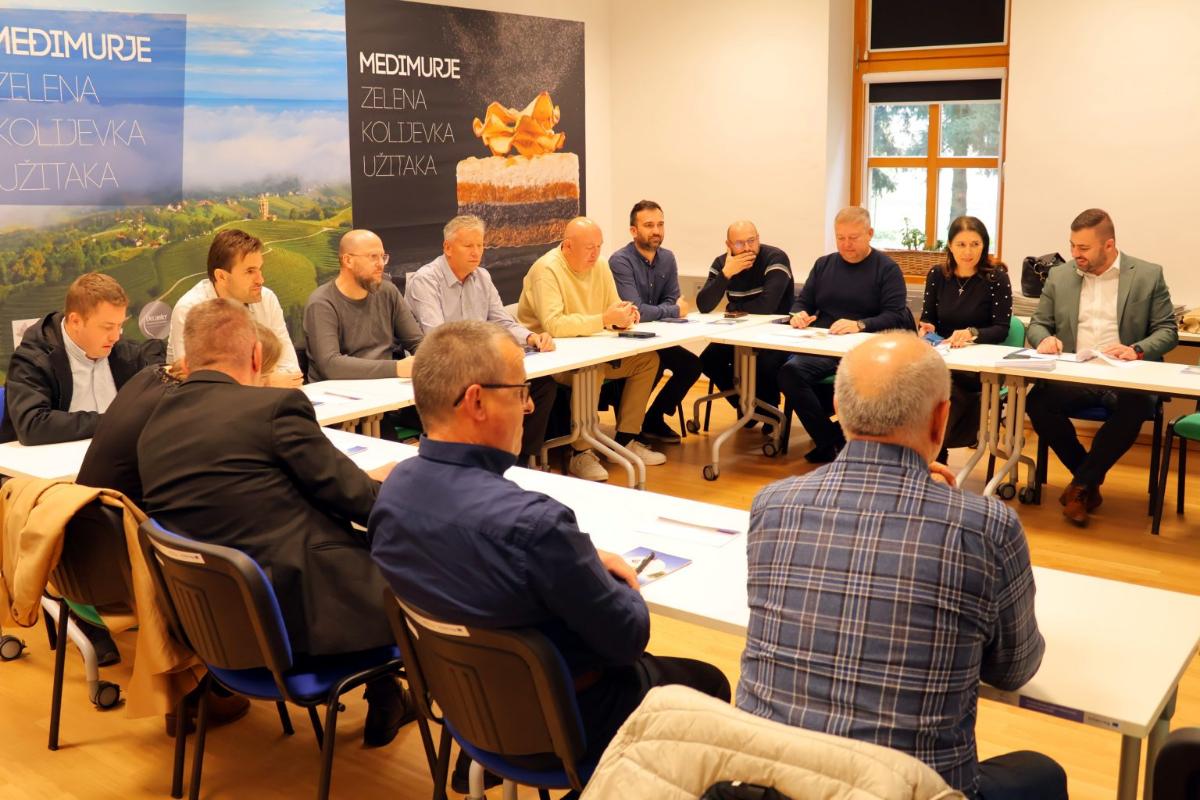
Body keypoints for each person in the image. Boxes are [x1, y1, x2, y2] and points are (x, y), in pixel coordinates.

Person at [369, 319, 730, 789]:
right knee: (709, 682)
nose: (530, 404)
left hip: (466, 711)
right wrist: (605, 573)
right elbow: (627, 638)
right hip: (567, 724)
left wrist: (577, 559)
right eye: (520, 390)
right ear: (476, 401)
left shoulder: (393, 494)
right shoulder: (535, 526)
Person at [739, 332, 1066, 800]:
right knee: (1042, 771)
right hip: (911, 789)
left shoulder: (773, 503)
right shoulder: (986, 526)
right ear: (941, 418)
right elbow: (1013, 670)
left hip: (770, 781)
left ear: (838, 407)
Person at [139, 299, 411, 747]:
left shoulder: (154, 426)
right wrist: (405, 486)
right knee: (421, 561)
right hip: (300, 622)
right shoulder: (274, 408)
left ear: (188, 359)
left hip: (216, 632)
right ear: (255, 355)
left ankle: (389, 697)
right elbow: (359, 500)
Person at [1026, 208, 1178, 526]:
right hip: (1076, 373)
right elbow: (1038, 324)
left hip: (1124, 377)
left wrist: (1136, 350)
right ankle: (1086, 482)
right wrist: (1044, 339)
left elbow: (1167, 331)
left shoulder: (1147, 275)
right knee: (1037, 402)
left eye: (1083, 248)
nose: (1075, 254)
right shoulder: (1060, 276)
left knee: (1137, 404)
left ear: (1109, 245)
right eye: (1072, 245)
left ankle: (1082, 485)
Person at [517, 217, 667, 481]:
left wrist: (625, 316)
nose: (595, 253)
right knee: (592, 369)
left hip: (593, 349)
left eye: (599, 246)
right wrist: (605, 319)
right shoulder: (546, 270)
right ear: (568, 246)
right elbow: (554, 325)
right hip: (553, 359)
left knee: (648, 361)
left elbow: (613, 307)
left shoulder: (600, 265)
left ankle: (626, 439)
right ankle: (581, 452)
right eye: (589, 248)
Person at [78, 322, 285, 509]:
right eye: (266, 377)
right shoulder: (190, 404)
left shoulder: (154, 375)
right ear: (252, 365)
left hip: (93, 512)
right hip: (126, 522)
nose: (265, 386)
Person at [405, 215, 558, 464]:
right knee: (499, 395)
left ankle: (519, 461)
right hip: (445, 374)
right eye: (468, 245)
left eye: (480, 245)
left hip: (478, 367)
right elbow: (439, 339)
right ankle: (488, 460)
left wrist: (531, 337)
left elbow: (502, 321)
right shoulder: (426, 280)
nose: (476, 252)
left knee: (542, 386)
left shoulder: (482, 277)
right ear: (447, 248)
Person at [780, 206, 910, 463]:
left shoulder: (886, 269)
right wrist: (798, 314)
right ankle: (832, 442)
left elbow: (896, 316)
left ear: (870, 234)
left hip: (866, 349)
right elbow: (802, 301)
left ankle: (831, 443)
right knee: (788, 372)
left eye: (853, 238)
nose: (846, 244)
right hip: (824, 345)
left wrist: (860, 324)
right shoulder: (824, 265)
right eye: (840, 238)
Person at [0, 272, 164, 445]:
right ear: (76, 321)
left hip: (114, 455)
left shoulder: (124, 353)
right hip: (52, 459)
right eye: (107, 327)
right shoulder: (33, 359)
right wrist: (112, 422)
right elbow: (33, 425)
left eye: (120, 325)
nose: (115, 336)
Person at [918, 216, 1013, 463]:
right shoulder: (937, 275)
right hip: (942, 360)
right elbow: (928, 319)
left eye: (975, 244)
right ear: (950, 245)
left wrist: (973, 333)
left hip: (975, 368)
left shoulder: (996, 278)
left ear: (984, 245)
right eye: (961, 244)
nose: (968, 252)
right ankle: (930, 458)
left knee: (943, 391)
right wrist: (926, 328)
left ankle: (934, 458)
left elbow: (1001, 329)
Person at [609, 200, 702, 443]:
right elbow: (636, 310)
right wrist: (673, 310)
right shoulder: (620, 261)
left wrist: (667, 309)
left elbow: (671, 298)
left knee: (691, 366)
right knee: (655, 363)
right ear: (633, 231)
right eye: (649, 225)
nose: (656, 231)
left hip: (658, 338)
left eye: (660, 224)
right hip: (628, 340)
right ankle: (629, 428)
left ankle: (653, 418)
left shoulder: (667, 258)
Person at [166, 229, 302, 387]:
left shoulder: (267, 298)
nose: (261, 280)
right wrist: (266, 383)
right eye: (250, 271)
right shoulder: (189, 309)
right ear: (221, 276)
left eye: (260, 269)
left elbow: (291, 370)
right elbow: (196, 384)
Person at [694, 220, 793, 417]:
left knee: (764, 364)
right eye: (740, 243)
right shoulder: (722, 263)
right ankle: (745, 405)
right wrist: (726, 274)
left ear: (758, 239)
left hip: (776, 334)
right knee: (707, 360)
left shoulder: (775, 258)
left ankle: (770, 412)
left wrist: (734, 307)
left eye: (752, 241)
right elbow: (704, 305)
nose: (748, 248)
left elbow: (767, 307)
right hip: (738, 333)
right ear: (729, 245)